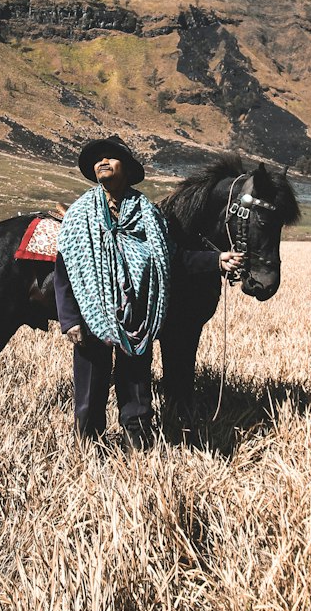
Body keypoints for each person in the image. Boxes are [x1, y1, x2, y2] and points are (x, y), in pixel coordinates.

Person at [54, 136, 242, 444]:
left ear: (126, 169)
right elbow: (65, 269)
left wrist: (216, 260)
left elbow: (173, 259)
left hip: (136, 317)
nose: (103, 161)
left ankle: (137, 441)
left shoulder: (148, 214)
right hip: (91, 313)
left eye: (111, 157)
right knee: (91, 383)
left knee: (136, 383)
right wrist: (69, 318)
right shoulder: (78, 216)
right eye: (98, 158)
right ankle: (89, 443)